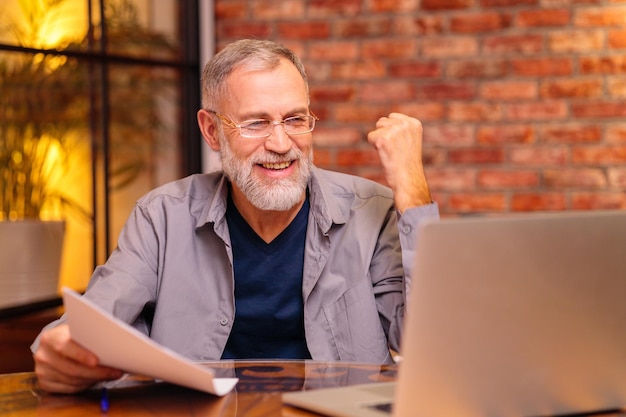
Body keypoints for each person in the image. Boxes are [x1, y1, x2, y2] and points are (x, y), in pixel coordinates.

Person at [31, 39, 439, 394]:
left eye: (295, 119)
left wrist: (412, 190)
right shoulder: (162, 217)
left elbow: (430, 343)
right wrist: (60, 354)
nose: (280, 143)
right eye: (255, 123)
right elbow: (87, 327)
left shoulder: (373, 209)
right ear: (211, 131)